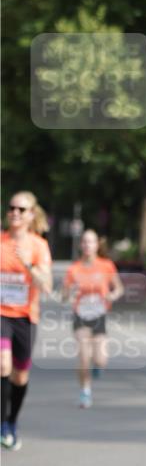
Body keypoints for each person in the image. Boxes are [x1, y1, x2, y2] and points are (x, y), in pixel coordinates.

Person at [1, 191, 52, 450]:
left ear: (31, 214)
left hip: (25, 317)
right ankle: (1, 424)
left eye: (21, 209)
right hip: (1, 314)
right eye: (11, 208)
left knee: (20, 376)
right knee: (2, 365)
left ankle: (11, 421)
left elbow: (47, 286)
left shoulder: (38, 245)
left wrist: (28, 265)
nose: (15, 213)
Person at [61, 230, 124, 408]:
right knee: (84, 356)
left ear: (97, 245)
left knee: (101, 359)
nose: (88, 245)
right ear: (81, 245)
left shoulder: (106, 266)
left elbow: (119, 288)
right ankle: (85, 392)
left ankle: (97, 367)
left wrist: (112, 295)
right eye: (85, 242)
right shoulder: (74, 269)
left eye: (91, 242)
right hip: (80, 314)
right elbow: (64, 294)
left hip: (99, 315)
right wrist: (69, 295)